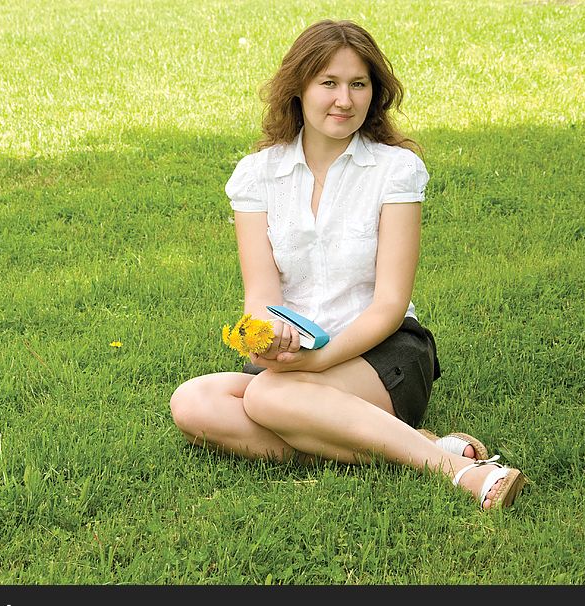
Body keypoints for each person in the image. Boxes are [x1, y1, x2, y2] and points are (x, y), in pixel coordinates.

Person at [170, 19, 526, 510]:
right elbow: (261, 296)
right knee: (192, 402)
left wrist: (313, 362)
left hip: (384, 350)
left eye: (358, 84)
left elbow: (389, 305)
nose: (344, 99)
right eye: (328, 83)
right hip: (295, 365)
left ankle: (460, 471)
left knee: (267, 399)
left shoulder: (394, 170)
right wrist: (271, 337)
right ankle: (414, 444)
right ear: (299, 87)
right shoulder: (257, 176)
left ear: (374, 92)